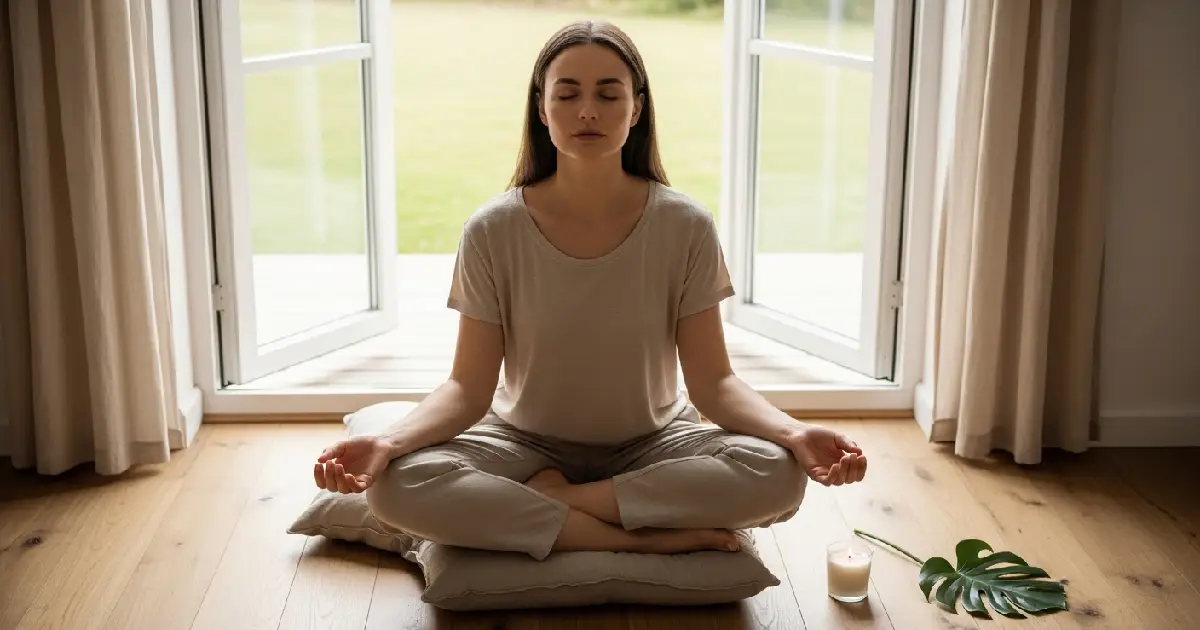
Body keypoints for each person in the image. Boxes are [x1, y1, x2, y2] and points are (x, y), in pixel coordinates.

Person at [312, 19, 867, 561]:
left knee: (776, 477)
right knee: (395, 488)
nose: (587, 112)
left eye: (608, 94)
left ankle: (565, 506)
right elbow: (466, 388)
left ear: (637, 108)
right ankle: (626, 536)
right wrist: (389, 444)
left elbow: (715, 384)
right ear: (541, 107)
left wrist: (794, 434)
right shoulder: (492, 230)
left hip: (654, 444)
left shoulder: (685, 226)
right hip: (523, 445)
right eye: (568, 93)